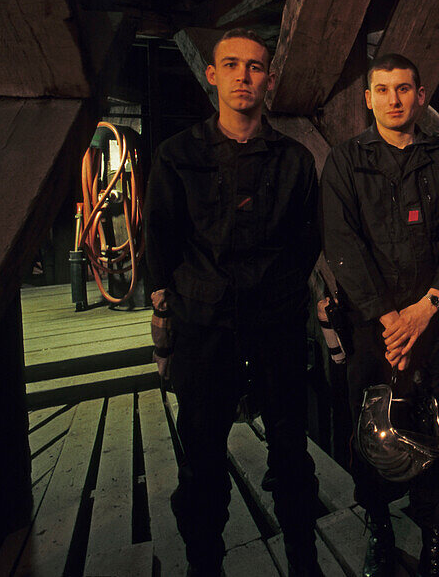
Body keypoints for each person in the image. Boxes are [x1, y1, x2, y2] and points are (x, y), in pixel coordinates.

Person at [144, 29, 322, 577]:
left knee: (291, 451)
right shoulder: (178, 156)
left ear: (268, 79)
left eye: (255, 67)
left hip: (275, 322)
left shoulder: (293, 160)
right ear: (212, 75)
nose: (244, 77)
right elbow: (162, 240)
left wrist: (282, 293)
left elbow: (306, 240)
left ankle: (303, 562)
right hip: (204, 325)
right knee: (201, 457)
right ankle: (206, 565)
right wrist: (171, 312)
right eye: (232, 65)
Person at [320, 53, 439, 577]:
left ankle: (434, 534)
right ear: (368, 98)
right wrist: (391, 319)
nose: (393, 99)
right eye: (382, 90)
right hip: (374, 329)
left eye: (403, 89)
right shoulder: (345, 162)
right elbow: (343, 244)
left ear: (421, 95)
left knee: (438, 425)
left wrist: (425, 309)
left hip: (434, 325)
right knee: (372, 426)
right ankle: (380, 528)